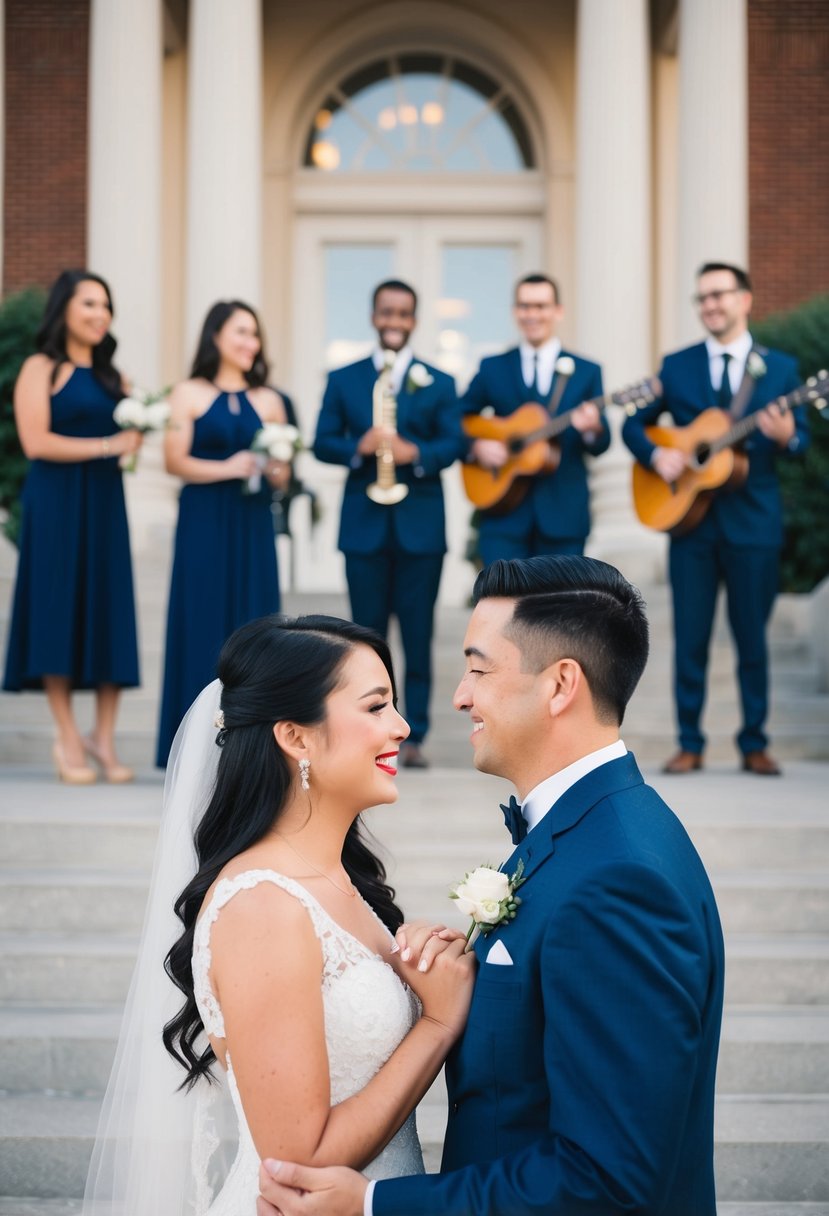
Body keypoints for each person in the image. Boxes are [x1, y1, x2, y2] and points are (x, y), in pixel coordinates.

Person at [258, 554, 725, 1216]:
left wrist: (373, 1206)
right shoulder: (586, 833)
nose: (458, 696)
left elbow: (606, 1177)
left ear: (561, 684)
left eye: (478, 669)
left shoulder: (617, 879)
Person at [84, 613, 475, 1214]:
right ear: (295, 736)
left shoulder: (342, 882)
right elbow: (300, 1161)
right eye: (375, 707)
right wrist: (437, 1024)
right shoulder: (261, 903)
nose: (400, 726)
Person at [622, 261, 809, 776]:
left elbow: (801, 441)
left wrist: (784, 436)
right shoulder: (676, 365)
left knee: (753, 638)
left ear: (745, 300)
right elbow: (634, 425)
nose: (711, 305)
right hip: (692, 525)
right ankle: (690, 743)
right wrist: (656, 456)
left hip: (754, 524)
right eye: (703, 298)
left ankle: (754, 743)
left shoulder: (781, 369)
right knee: (692, 638)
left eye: (720, 295)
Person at [313, 279, 465, 769]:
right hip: (364, 528)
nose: (394, 322)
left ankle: (413, 733)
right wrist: (356, 445)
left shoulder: (439, 381)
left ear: (414, 321)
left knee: (417, 637)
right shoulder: (344, 377)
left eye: (403, 314)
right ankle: (367, 730)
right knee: (363, 640)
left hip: (420, 529)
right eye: (386, 313)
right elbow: (321, 441)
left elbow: (454, 443)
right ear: (373, 316)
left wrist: (415, 452)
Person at [3, 269, 142, 783]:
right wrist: (109, 446)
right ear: (64, 309)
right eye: (89, 304)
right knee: (56, 610)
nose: (100, 314)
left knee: (109, 611)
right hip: (56, 503)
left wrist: (139, 434)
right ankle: (67, 737)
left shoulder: (117, 379)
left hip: (105, 503)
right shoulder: (41, 368)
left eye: (105, 305)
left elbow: (130, 446)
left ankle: (102, 737)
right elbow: (36, 441)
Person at [156, 299, 292, 767]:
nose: (250, 343)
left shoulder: (271, 400)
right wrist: (227, 466)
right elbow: (174, 460)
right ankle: (192, 749)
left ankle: (251, 749)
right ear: (216, 336)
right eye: (240, 332)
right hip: (204, 521)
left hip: (252, 521)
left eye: (254, 334)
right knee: (201, 621)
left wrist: (275, 468)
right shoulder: (187, 393)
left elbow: (283, 477)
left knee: (256, 628)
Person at [463, 273, 610, 565]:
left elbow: (600, 443)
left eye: (541, 306)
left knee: (559, 609)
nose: (532, 314)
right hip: (502, 513)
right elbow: (455, 418)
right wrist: (476, 446)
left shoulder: (587, 371)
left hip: (563, 514)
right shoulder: (493, 367)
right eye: (525, 306)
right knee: (502, 607)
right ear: (515, 311)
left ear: (558, 311)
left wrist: (592, 429)